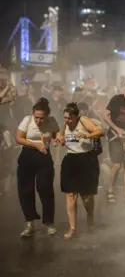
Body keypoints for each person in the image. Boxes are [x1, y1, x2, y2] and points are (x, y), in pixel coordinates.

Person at [15, 98, 60, 237]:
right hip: (27, 155)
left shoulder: (52, 121)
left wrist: (59, 138)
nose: (39, 121)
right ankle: (30, 224)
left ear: (47, 115)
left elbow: (56, 134)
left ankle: (49, 223)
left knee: (45, 189)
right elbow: (19, 138)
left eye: (42, 118)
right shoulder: (27, 120)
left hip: (44, 157)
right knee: (25, 190)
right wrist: (35, 145)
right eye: (37, 117)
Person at [60, 103, 104, 239]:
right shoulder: (65, 124)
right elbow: (62, 137)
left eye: (69, 118)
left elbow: (100, 131)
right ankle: (72, 228)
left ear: (76, 116)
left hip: (87, 160)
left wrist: (86, 135)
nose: (67, 121)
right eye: (65, 118)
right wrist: (59, 140)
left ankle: (90, 217)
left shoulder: (83, 120)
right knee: (70, 195)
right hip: (70, 160)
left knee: (86, 197)